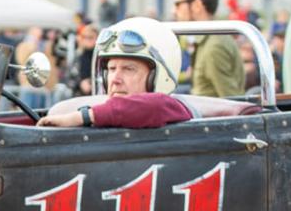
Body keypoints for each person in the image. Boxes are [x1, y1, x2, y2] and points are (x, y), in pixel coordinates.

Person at [37, 17, 190, 129]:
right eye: (111, 69)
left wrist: (82, 117)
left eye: (128, 69)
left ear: (157, 77)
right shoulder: (103, 112)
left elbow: (156, 105)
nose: (115, 79)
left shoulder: (170, 109)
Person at [172, 0, 244, 98]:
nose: (173, 11)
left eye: (178, 4)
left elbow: (232, 100)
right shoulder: (210, 39)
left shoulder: (214, 46)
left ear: (197, 5)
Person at [63, 23, 98, 96]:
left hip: (96, 96)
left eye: (90, 37)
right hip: (79, 96)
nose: (87, 40)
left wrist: (91, 82)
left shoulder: (100, 58)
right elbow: (68, 78)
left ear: (96, 38)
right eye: (84, 37)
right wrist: (80, 83)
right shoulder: (78, 57)